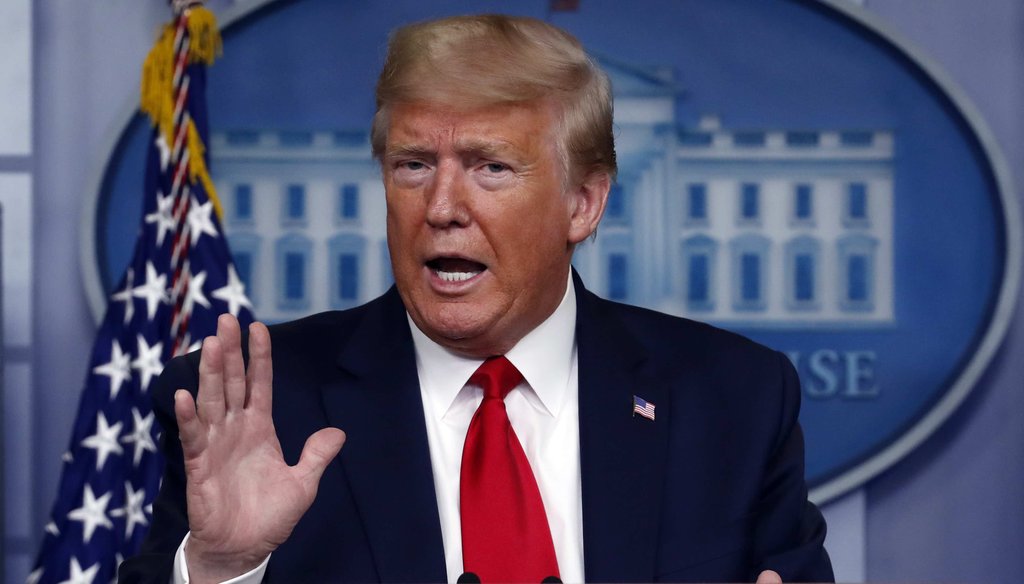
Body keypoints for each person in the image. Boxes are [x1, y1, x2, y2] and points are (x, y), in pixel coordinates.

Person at [120, 14, 833, 584]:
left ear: (582, 205)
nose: (441, 208)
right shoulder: (259, 407)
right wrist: (218, 572)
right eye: (413, 166)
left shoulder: (735, 398)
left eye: (490, 167)